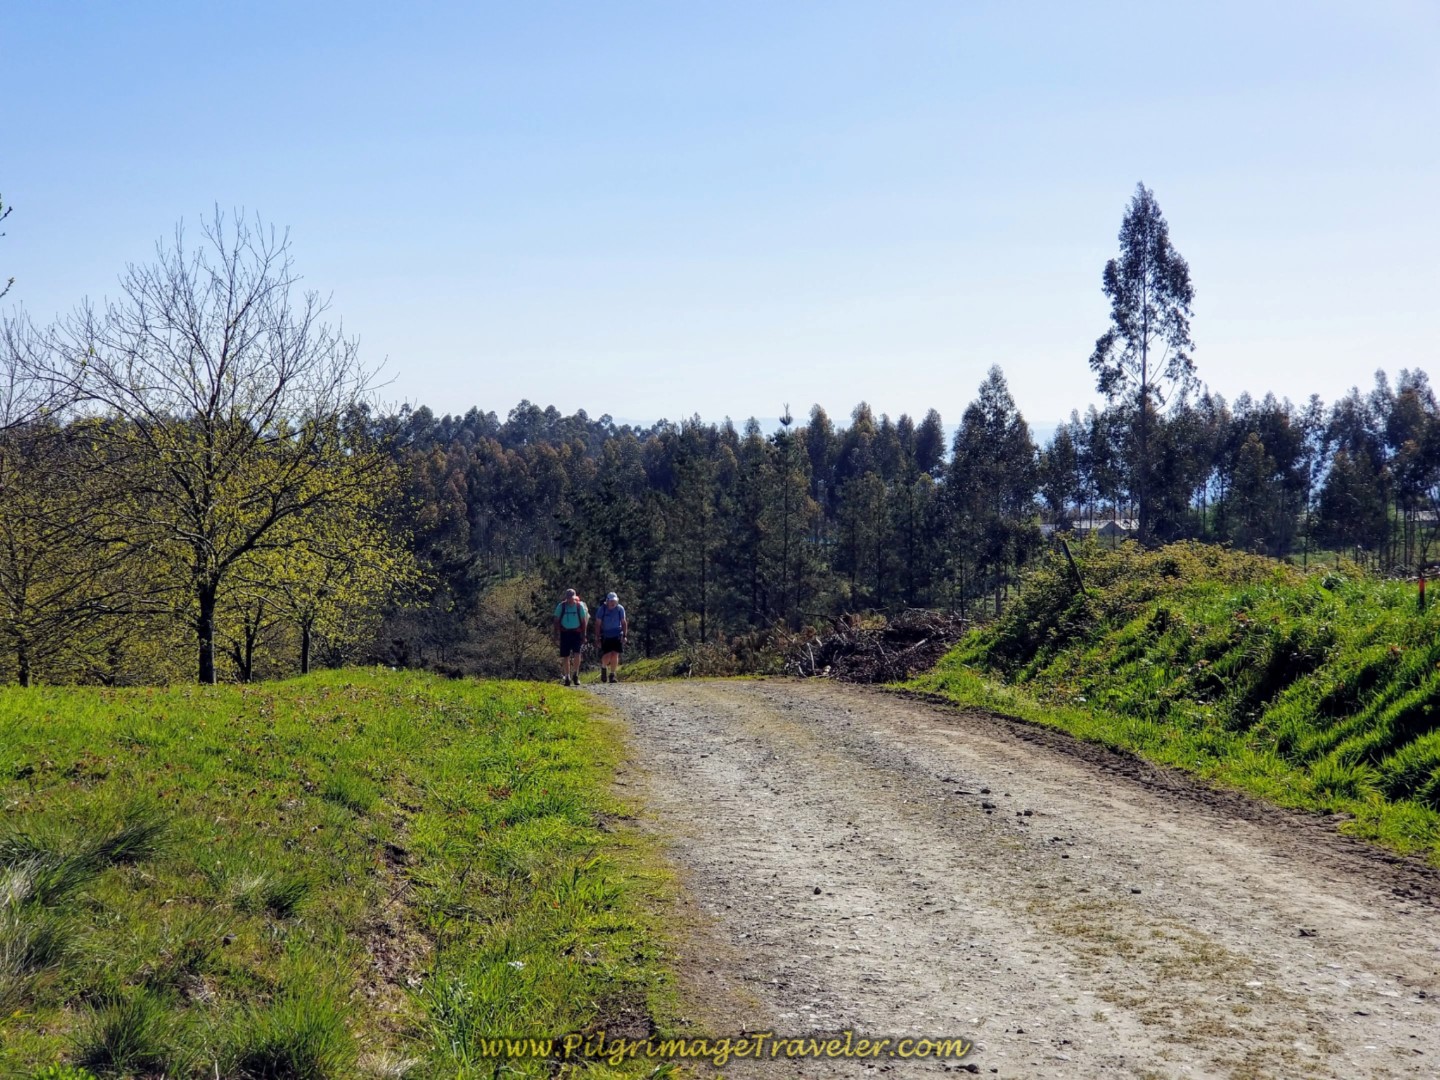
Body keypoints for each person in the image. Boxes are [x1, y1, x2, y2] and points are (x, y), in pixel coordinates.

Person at [552, 588, 589, 686]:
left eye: (571, 598)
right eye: (568, 598)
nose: (570, 600)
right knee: (566, 655)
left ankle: (575, 674)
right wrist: (556, 634)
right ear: (566, 597)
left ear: (575, 597)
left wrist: (584, 635)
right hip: (565, 633)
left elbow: (584, 622)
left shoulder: (579, 607)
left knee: (577, 653)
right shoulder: (561, 606)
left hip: (576, 632)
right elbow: (556, 620)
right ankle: (567, 676)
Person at [594, 592, 628, 683]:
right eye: (611, 601)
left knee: (615, 654)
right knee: (607, 654)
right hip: (606, 635)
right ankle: (604, 668)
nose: (613, 603)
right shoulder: (602, 609)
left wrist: (624, 635)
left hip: (617, 634)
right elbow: (597, 624)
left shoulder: (620, 609)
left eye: (614, 601)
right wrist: (597, 637)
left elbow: (623, 622)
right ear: (607, 601)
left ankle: (612, 674)